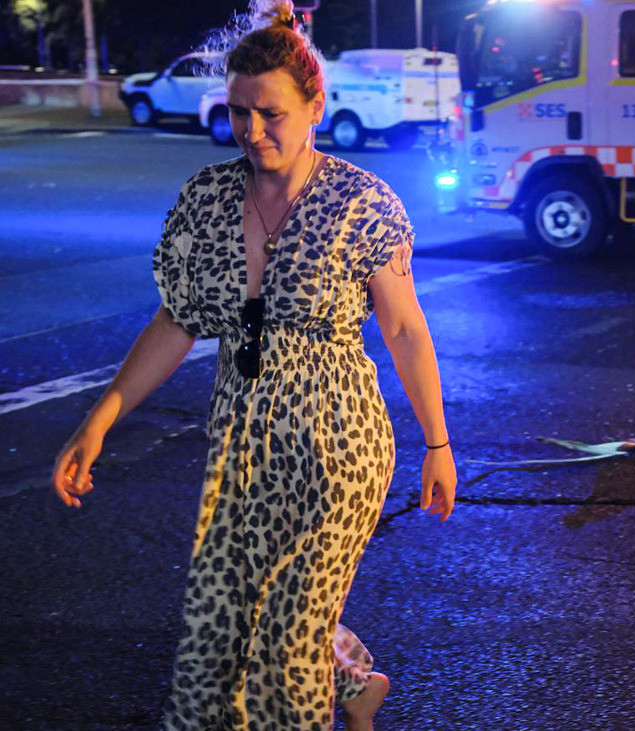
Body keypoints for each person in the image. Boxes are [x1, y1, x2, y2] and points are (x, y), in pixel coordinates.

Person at [49, 2, 458, 729]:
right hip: (242, 445)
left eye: (271, 113)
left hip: (338, 446)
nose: (253, 130)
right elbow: (176, 321)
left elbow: (403, 328)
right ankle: (355, 684)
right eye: (240, 112)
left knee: (286, 637)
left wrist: (437, 444)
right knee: (226, 622)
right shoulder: (206, 198)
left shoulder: (363, 203)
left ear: (315, 108)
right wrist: (99, 420)